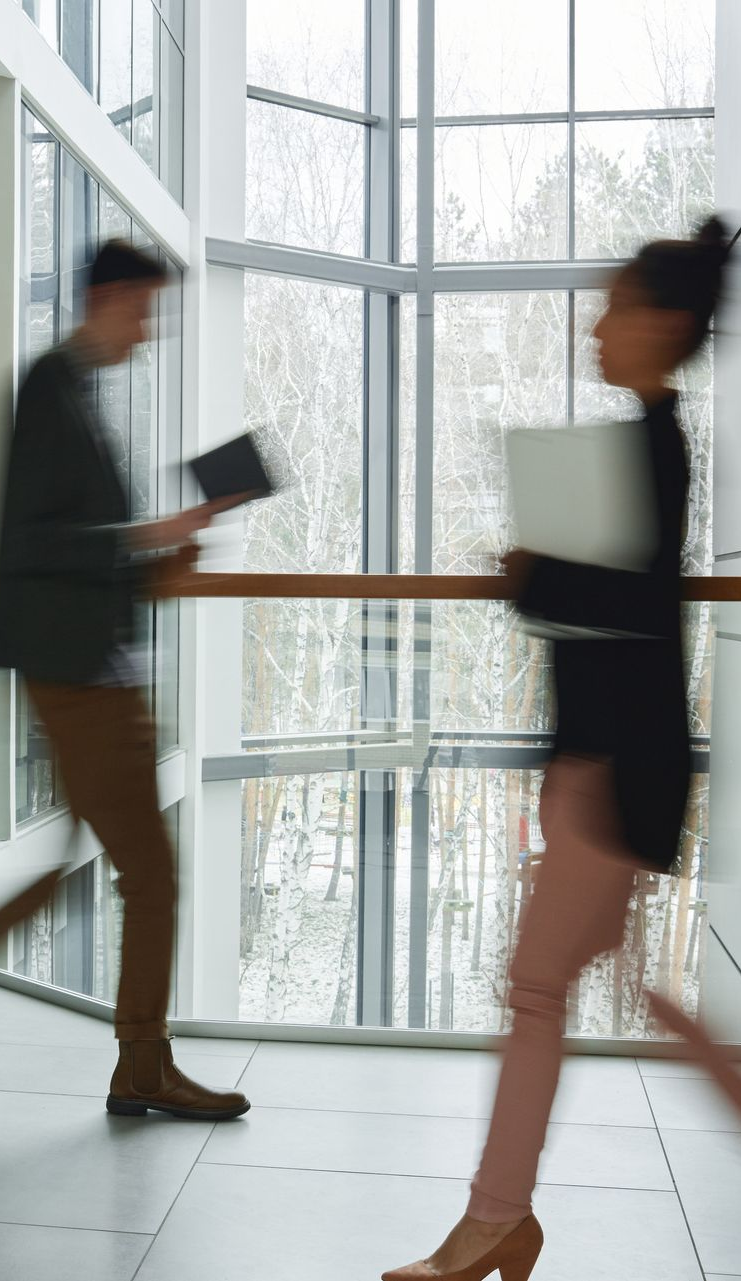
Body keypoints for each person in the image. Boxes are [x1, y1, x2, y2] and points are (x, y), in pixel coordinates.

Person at [382, 218, 739, 1281]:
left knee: (540, 991)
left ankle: (495, 1220)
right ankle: (501, 1220)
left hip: (614, 770)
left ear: (665, 325)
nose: (596, 326)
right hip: (603, 764)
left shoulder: (652, 447)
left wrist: (531, 570)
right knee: (609, 990)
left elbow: (630, 603)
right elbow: (623, 605)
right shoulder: (648, 441)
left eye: (616, 308)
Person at [0, 239, 250, 1122]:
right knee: (151, 878)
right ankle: (143, 1068)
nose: (147, 334)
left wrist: (163, 556)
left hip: (100, 670)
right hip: (79, 678)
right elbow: (26, 545)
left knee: (98, 860)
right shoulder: (49, 387)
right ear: (105, 297)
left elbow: (80, 553)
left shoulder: (84, 397)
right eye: (142, 311)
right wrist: (145, 538)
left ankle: (142, 1066)